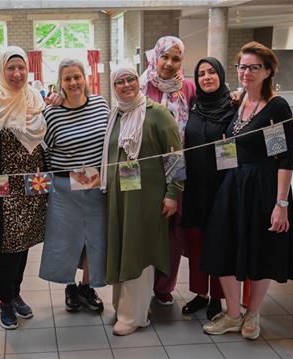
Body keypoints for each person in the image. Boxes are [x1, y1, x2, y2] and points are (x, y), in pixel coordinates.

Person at [201, 42, 293, 340]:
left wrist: (280, 203)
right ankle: (233, 313)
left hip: (264, 186)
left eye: (253, 67)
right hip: (234, 184)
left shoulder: (276, 107)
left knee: (260, 250)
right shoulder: (240, 101)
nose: (246, 72)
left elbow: (283, 157)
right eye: (242, 66)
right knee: (221, 245)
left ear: (267, 71)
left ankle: (252, 313)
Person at [101, 66, 183, 336]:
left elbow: (176, 158)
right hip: (120, 198)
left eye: (131, 79)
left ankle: (133, 316)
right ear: (113, 87)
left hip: (147, 197)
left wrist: (173, 194)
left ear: (139, 81)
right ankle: (126, 306)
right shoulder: (116, 114)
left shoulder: (157, 113)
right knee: (124, 248)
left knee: (139, 249)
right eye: (119, 82)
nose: (126, 85)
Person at [0, 46, 47, 330]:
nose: (16, 74)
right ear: (2, 71)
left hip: (33, 188)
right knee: (8, 249)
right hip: (2, 190)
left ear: (29, 70)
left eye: (21, 68)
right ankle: (5, 300)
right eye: (10, 68)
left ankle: (15, 293)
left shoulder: (35, 100)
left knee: (24, 245)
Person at [39, 58, 109, 313]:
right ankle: (70, 287)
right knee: (65, 240)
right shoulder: (51, 113)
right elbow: (44, 150)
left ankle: (87, 287)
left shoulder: (101, 104)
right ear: (61, 82)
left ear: (85, 78)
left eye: (77, 76)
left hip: (96, 185)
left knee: (96, 239)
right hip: (64, 187)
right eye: (67, 78)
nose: (73, 82)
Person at [140, 35, 196, 306]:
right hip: (146, 174)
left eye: (176, 59)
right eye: (165, 57)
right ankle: (141, 286)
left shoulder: (187, 88)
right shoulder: (139, 86)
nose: (170, 64)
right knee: (147, 230)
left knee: (173, 233)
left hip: (177, 172)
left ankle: (164, 287)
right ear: (155, 57)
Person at [181, 57, 237, 320]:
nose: (206, 77)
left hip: (221, 186)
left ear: (221, 75)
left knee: (219, 242)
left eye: (212, 72)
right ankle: (200, 292)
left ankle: (217, 295)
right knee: (196, 242)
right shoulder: (194, 105)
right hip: (194, 187)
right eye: (201, 73)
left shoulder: (234, 106)